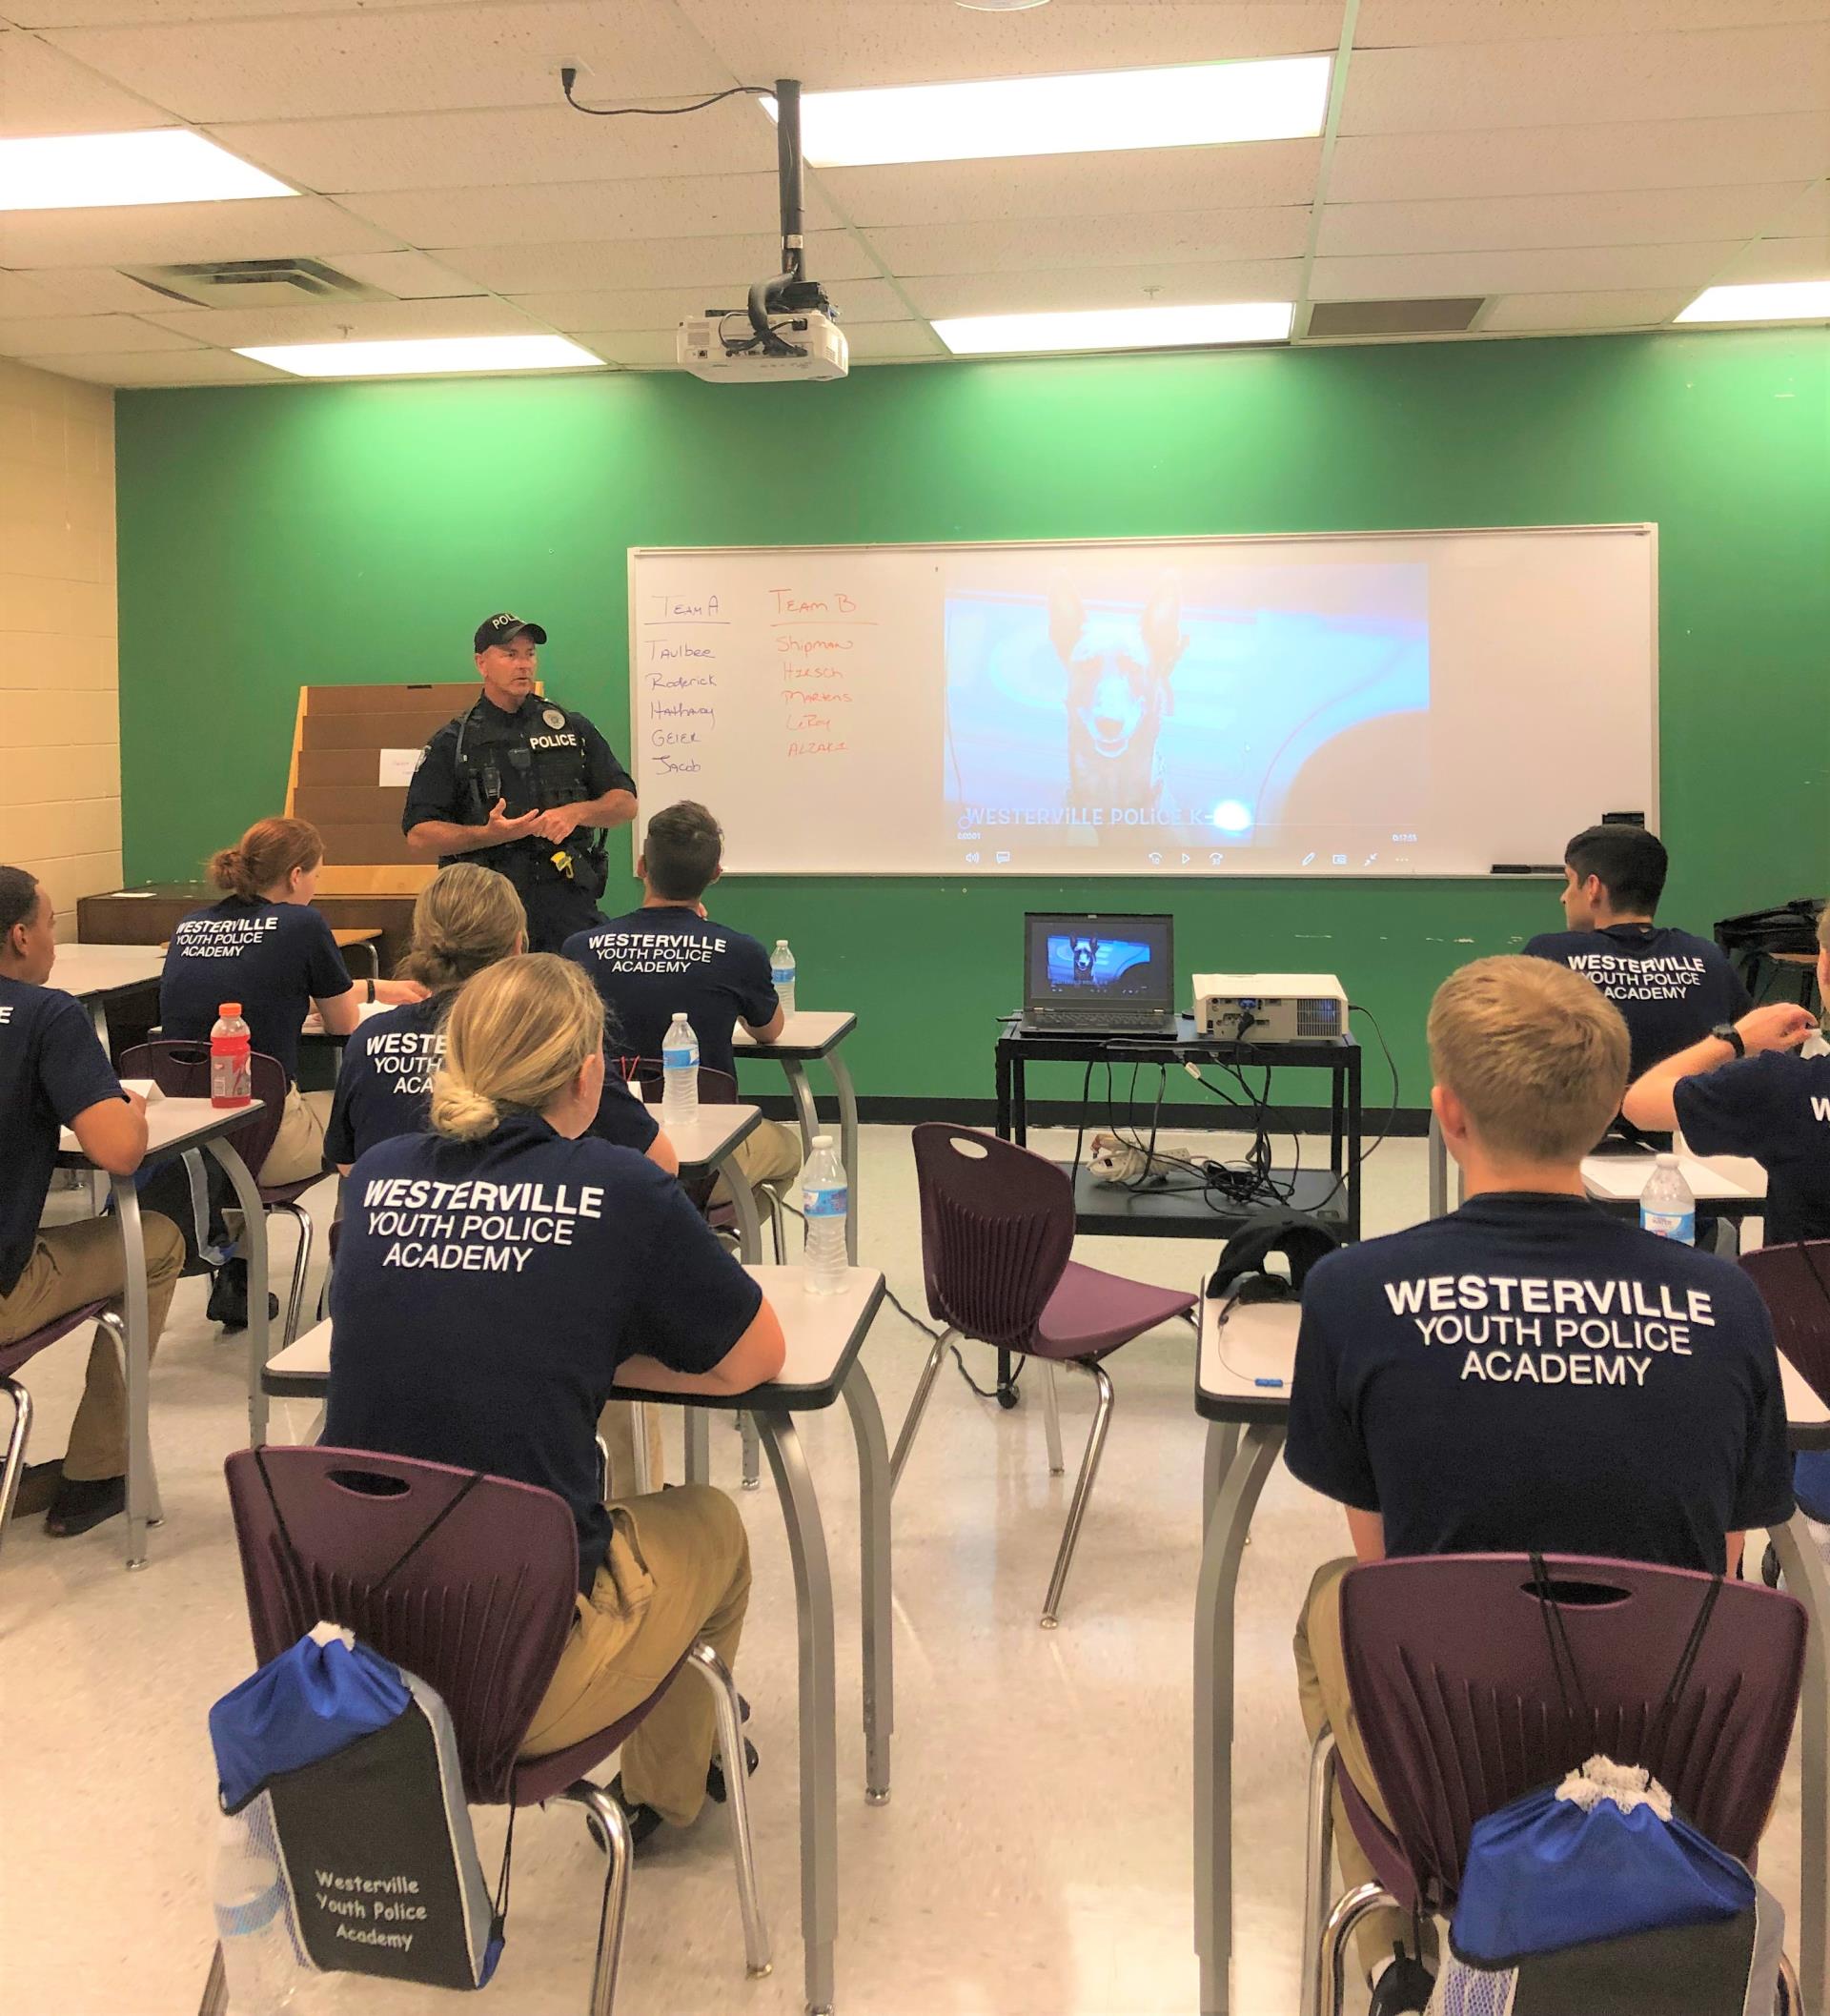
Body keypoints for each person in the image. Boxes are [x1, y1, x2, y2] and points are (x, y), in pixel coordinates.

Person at [1285, 955, 1794, 2015]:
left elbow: (1392, 1574)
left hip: (1446, 1751)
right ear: (1613, 1107)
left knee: (1332, 1597)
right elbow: (1726, 1566)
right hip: (1669, 1765)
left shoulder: (1350, 1292)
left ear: (1447, 1114)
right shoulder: (1728, 1301)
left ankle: (1398, 1938)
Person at [324, 955, 784, 1845]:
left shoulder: (378, 1173)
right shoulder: (622, 1188)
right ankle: (666, 1792)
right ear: (590, 1075)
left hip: (364, 1659)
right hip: (518, 1677)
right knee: (713, 1525)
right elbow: (754, 1358)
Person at [160, 816, 423, 1326]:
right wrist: (371, 994)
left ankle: (237, 1274)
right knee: (368, 1118)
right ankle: (349, 1289)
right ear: (298, 875)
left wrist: (365, 989)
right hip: (265, 1136)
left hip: (190, 1139)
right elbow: (344, 1021)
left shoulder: (190, 926)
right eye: (318, 875)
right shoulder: (301, 923)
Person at [0, 866, 186, 1537]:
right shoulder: (46, 1014)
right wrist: (127, 1106)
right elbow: (119, 1153)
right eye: (50, 923)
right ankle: (96, 1472)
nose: (54, 938)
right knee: (157, 1240)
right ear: (21, 936)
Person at [324, 862, 675, 1178]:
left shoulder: (370, 1038)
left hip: (391, 1241)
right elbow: (661, 1163)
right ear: (519, 947)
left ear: (422, 944)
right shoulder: (550, 1039)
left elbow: (350, 1166)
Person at [562, 800, 802, 1198]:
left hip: (596, 1151)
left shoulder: (579, 949)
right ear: (715, 875)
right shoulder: (738, 951)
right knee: (789, 1152)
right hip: (706, 1161)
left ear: (641, 866)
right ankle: (714, 1243)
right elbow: (770, 1031)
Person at [402, 613, 638, 953]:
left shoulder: (571, 728)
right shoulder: (454, 741)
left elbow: (625, 803)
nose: (523, 664)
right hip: (487, 915)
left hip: (567, 909)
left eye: (529, 654)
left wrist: (575, 813)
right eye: (510, 654)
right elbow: (419, 835)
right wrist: (487, 835)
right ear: (481, 663)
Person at [1621, 902, 1829, 1248]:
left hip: (1801, 1299)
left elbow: (1640, 1103)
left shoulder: (1783, 1085)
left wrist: (1736, 1039)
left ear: (1824, 966)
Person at [1522, 824, 1752, 1088]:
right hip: (1682, 1120)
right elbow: (1746, 1043)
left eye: (1570, 881)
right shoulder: (1708, 958)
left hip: (1580, 1123)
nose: (1564, 897)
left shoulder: (1548, 958)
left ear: (1593, 888)